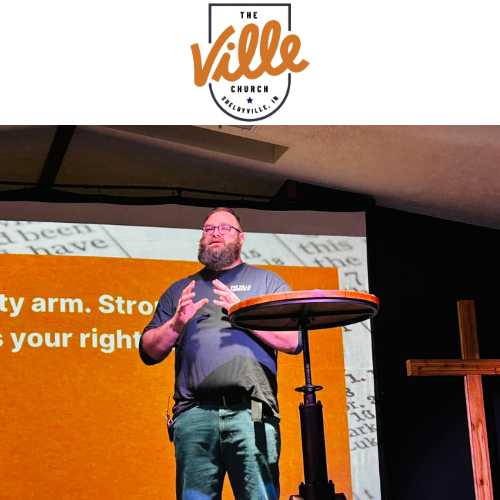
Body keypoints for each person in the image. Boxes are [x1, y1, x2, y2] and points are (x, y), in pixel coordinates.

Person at [140, 207, 301, 500]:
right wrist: (175, 324)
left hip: (252, 411)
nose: (216, 233)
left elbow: (292, 341)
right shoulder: (181, 290)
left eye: (225, 228)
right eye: (209, 229)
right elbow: (149, 351)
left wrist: (243, 313)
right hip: (193, 415)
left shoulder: (267, 283)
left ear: (241, 238)